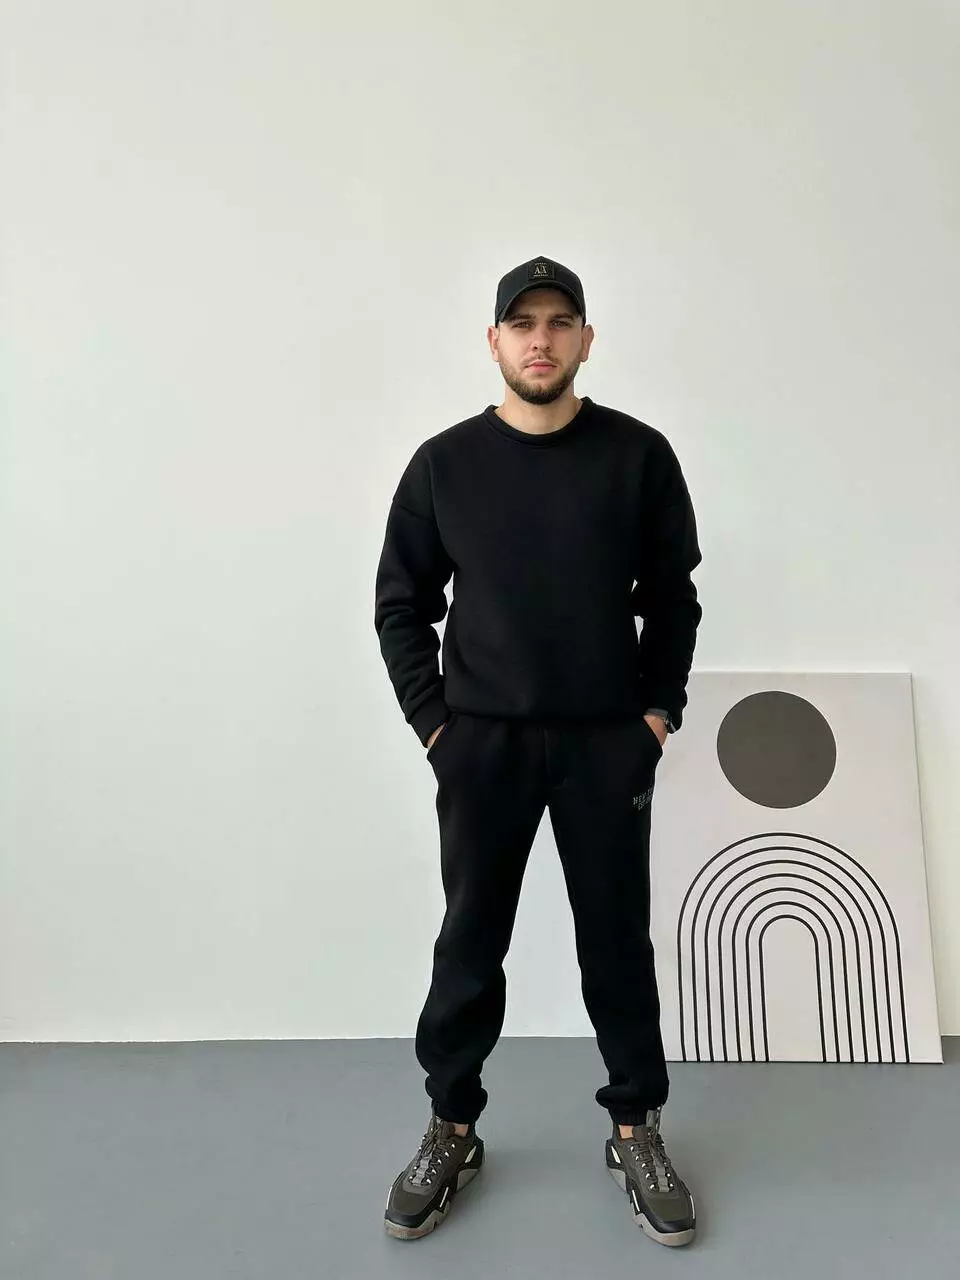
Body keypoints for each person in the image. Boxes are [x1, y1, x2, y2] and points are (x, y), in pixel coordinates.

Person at [373, 254, 703, 1247]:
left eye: (561, 322)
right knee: (471, 940)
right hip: (483, 745)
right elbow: (400, 604)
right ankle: (452, 1124)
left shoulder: (637, 457)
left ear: (586, 339)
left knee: (617, 942)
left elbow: (673, 598)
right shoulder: (444, 465)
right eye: (523, 323)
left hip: (606, 743)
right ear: (495, 342)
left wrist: (656, 715)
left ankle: (636, 1125)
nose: (542, 339)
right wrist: (437, 726)